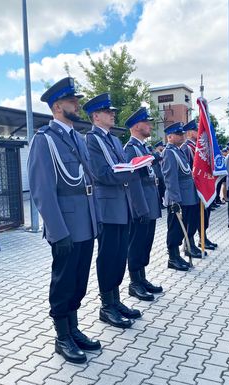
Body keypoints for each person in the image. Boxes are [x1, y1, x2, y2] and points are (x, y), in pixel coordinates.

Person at [28, 77, 101, 364]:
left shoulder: (77, 138)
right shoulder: (44, 140)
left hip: (86, 222)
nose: (77, 105)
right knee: (63, 281)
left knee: (80, 280)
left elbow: (87, 180)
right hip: (66, 226)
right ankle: (62, 335)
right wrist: (58, 232)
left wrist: (96, 219)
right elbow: (42, 190)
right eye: (72, 101)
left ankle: (74, 328)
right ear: (57, 107)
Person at [83, 93, 145, 326]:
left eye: (112, 111)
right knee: (108, 256)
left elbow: (121, 166)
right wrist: (132, 170)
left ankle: (116, 299)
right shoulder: (91, 140)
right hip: (107, 207)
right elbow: (101, 174)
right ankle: (106, 305)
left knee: (120, 255)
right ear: (96, 116)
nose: (113, 114)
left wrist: (136, 166)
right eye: (108, 112)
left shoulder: (114, 140)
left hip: (122, 204)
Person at [123, 107, 164, 301]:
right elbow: (132, 181)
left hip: (151, 201)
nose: (150, 126)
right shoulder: (130, 149)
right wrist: (140, 208)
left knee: (146, 243)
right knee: (137, 244)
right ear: (137, 125)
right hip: (141, 204)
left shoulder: (144, 148)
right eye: (147, 123)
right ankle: (134, 283)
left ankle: (142, 278)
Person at [161, 122, 195, 271]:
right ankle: (172, 258)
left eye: (182, 133)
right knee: (175, 229)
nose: (182, 136)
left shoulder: (179, 150)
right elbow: (170, 178)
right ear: (170, 137)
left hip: (186, 197)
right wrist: (175, 200)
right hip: (178, 198)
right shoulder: (169, 152)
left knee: (181, 229)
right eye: (179, 134)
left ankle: (177, 256)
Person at [181, 119, 217, 252]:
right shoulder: (186, 148)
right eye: (197, 130)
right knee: (193, 217)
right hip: (193, 188)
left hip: (201, 186)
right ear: (190, 133)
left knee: (204, 214)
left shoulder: (199, 147)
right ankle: (189, 243)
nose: (200, 133)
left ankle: (203, 237)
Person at [152, 140, 166, 207]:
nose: (163, 147)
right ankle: (160, 203)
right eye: (161, 146)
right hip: (158, 174)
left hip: (160, 174)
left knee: (162, 188)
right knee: (160, 189)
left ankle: (161, 203)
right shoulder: (156, 154)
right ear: (158, 147)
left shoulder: (160, 153)